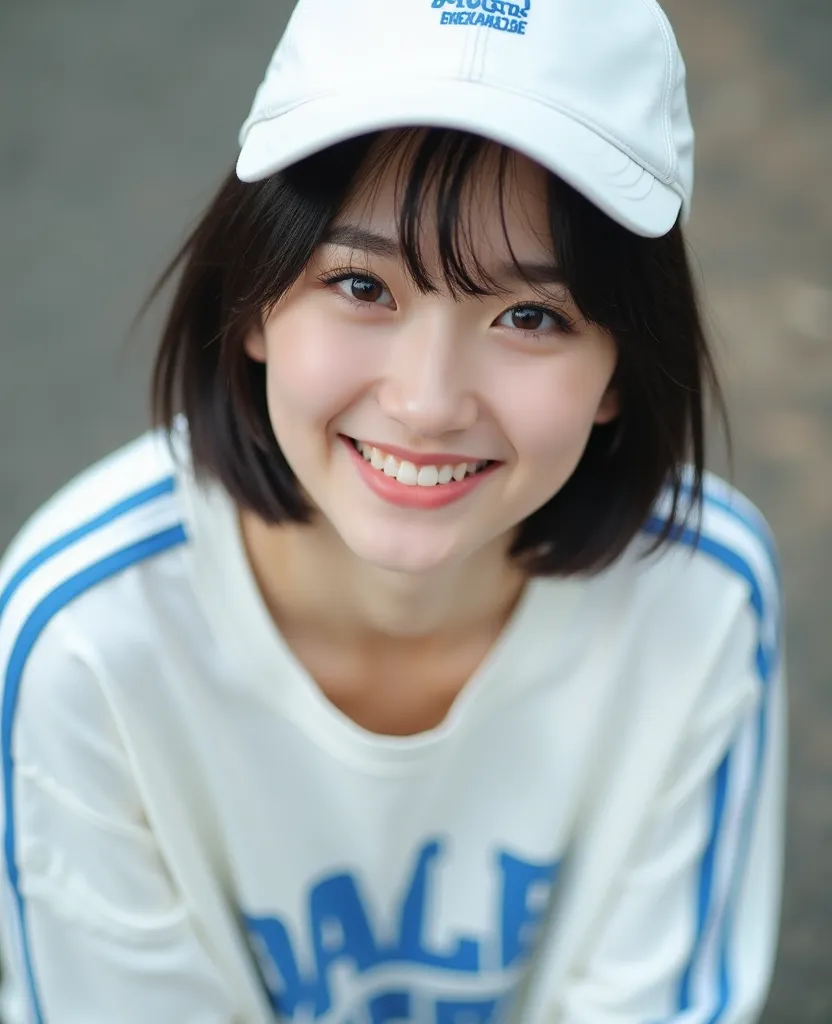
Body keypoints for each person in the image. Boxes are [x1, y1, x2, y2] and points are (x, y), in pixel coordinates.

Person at [0, 0, 786, 1021]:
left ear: (619, 371)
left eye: (529, 315)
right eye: (361, 285)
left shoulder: (697, 596)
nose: (425, 401)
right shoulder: (84, 637)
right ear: (254, 306)